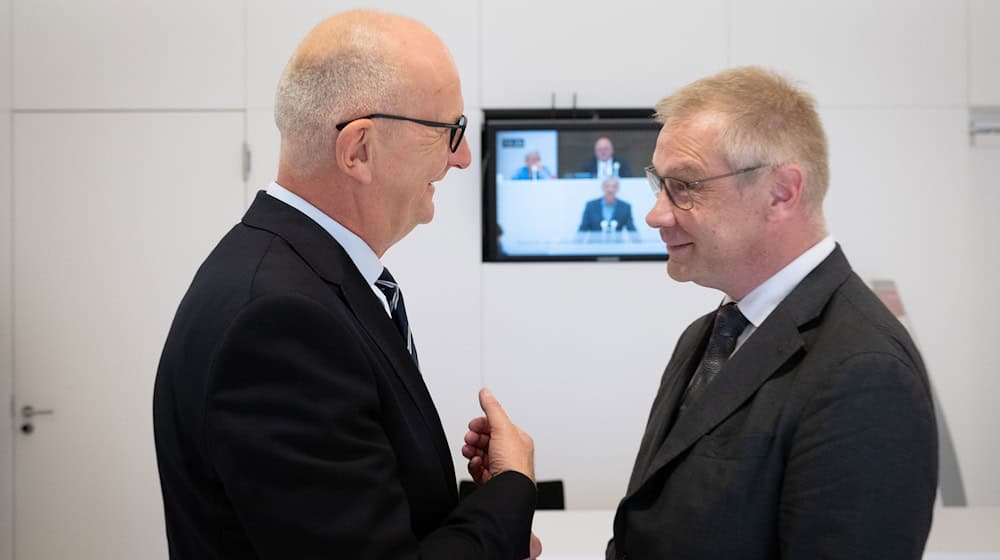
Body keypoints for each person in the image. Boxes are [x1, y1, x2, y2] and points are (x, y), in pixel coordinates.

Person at [152, 10, 540, 559]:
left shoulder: (291, 278)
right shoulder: (280, 320)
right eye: (448, 131)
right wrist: (511, 489)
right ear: (358, 149)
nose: (462, 157)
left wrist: (483, 523)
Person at [602, 67, 937, 558]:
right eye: (659, 184)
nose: (656, 214)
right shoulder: (709, 334)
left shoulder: (865, 370)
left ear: (782, 192)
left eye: (687, 186)